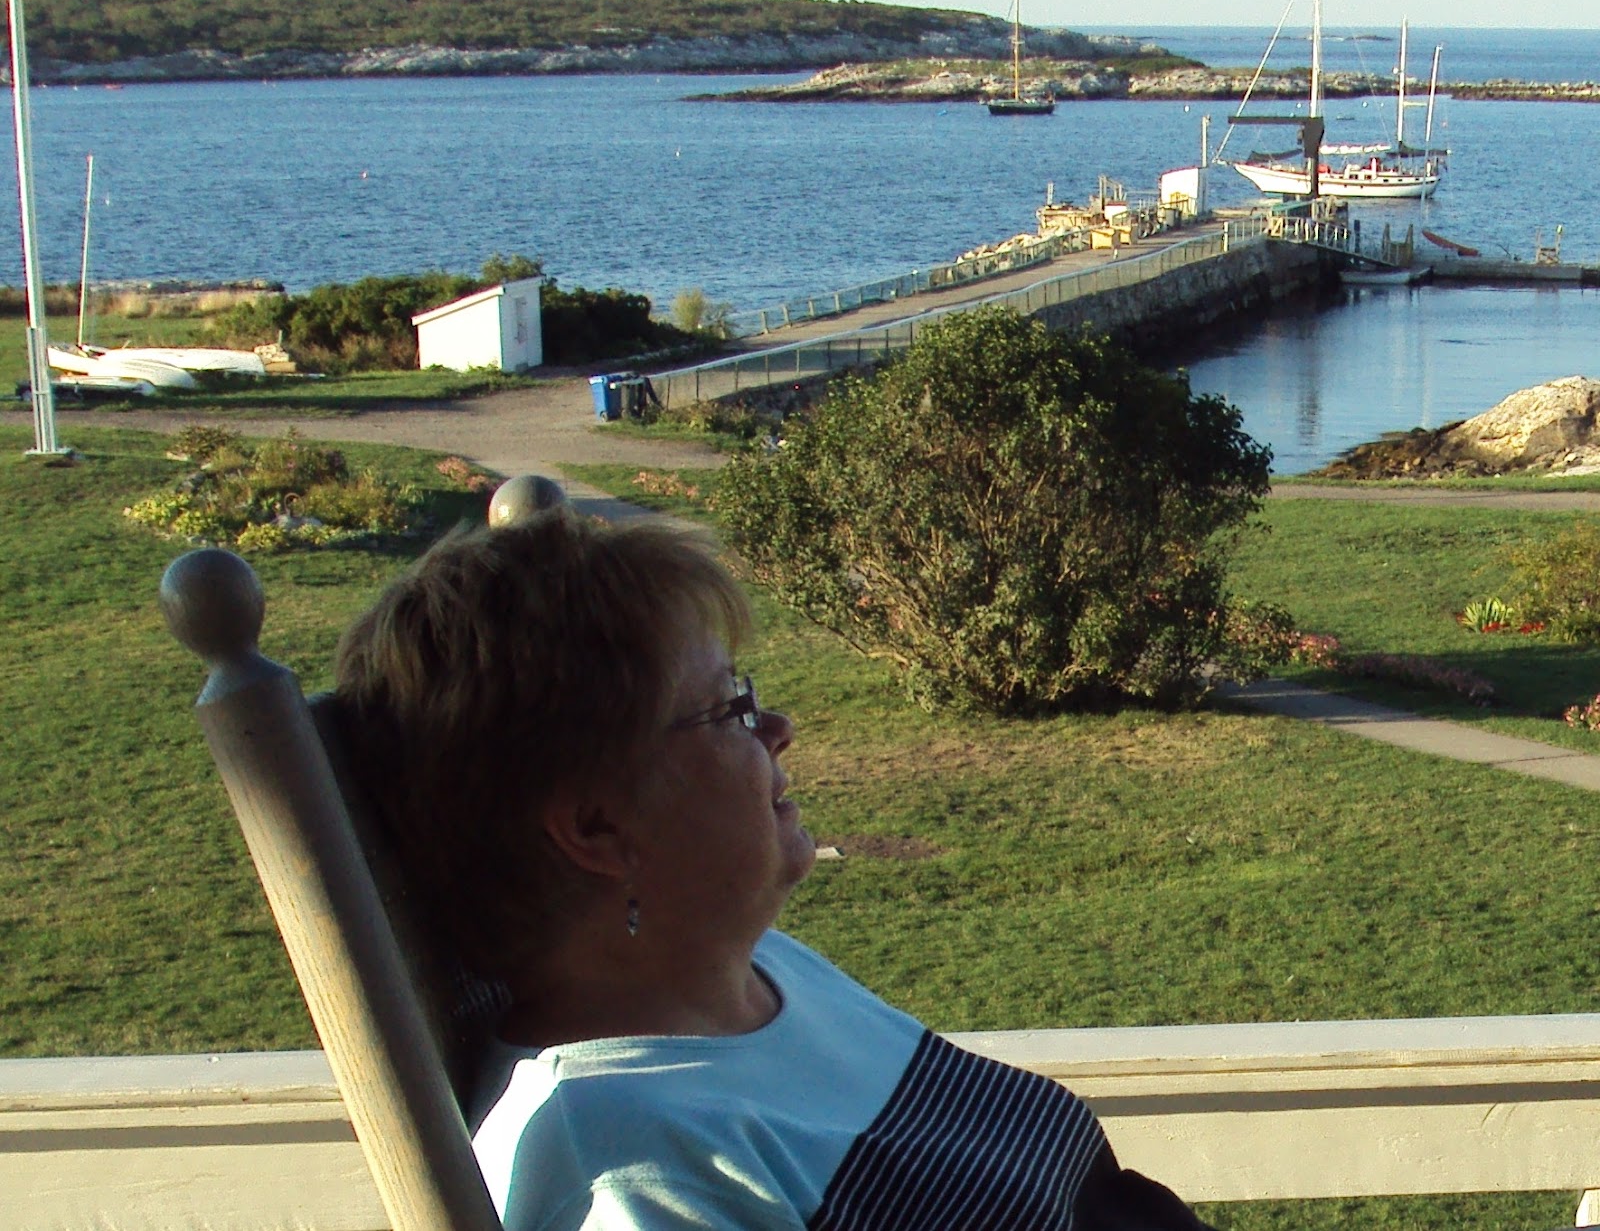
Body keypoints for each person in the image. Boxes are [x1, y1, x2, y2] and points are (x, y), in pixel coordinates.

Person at [334, 508, 1213, 1231]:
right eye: (729, 708)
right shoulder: (625, 1168)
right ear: (598, 827)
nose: (780, 727)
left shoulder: (752, 975)